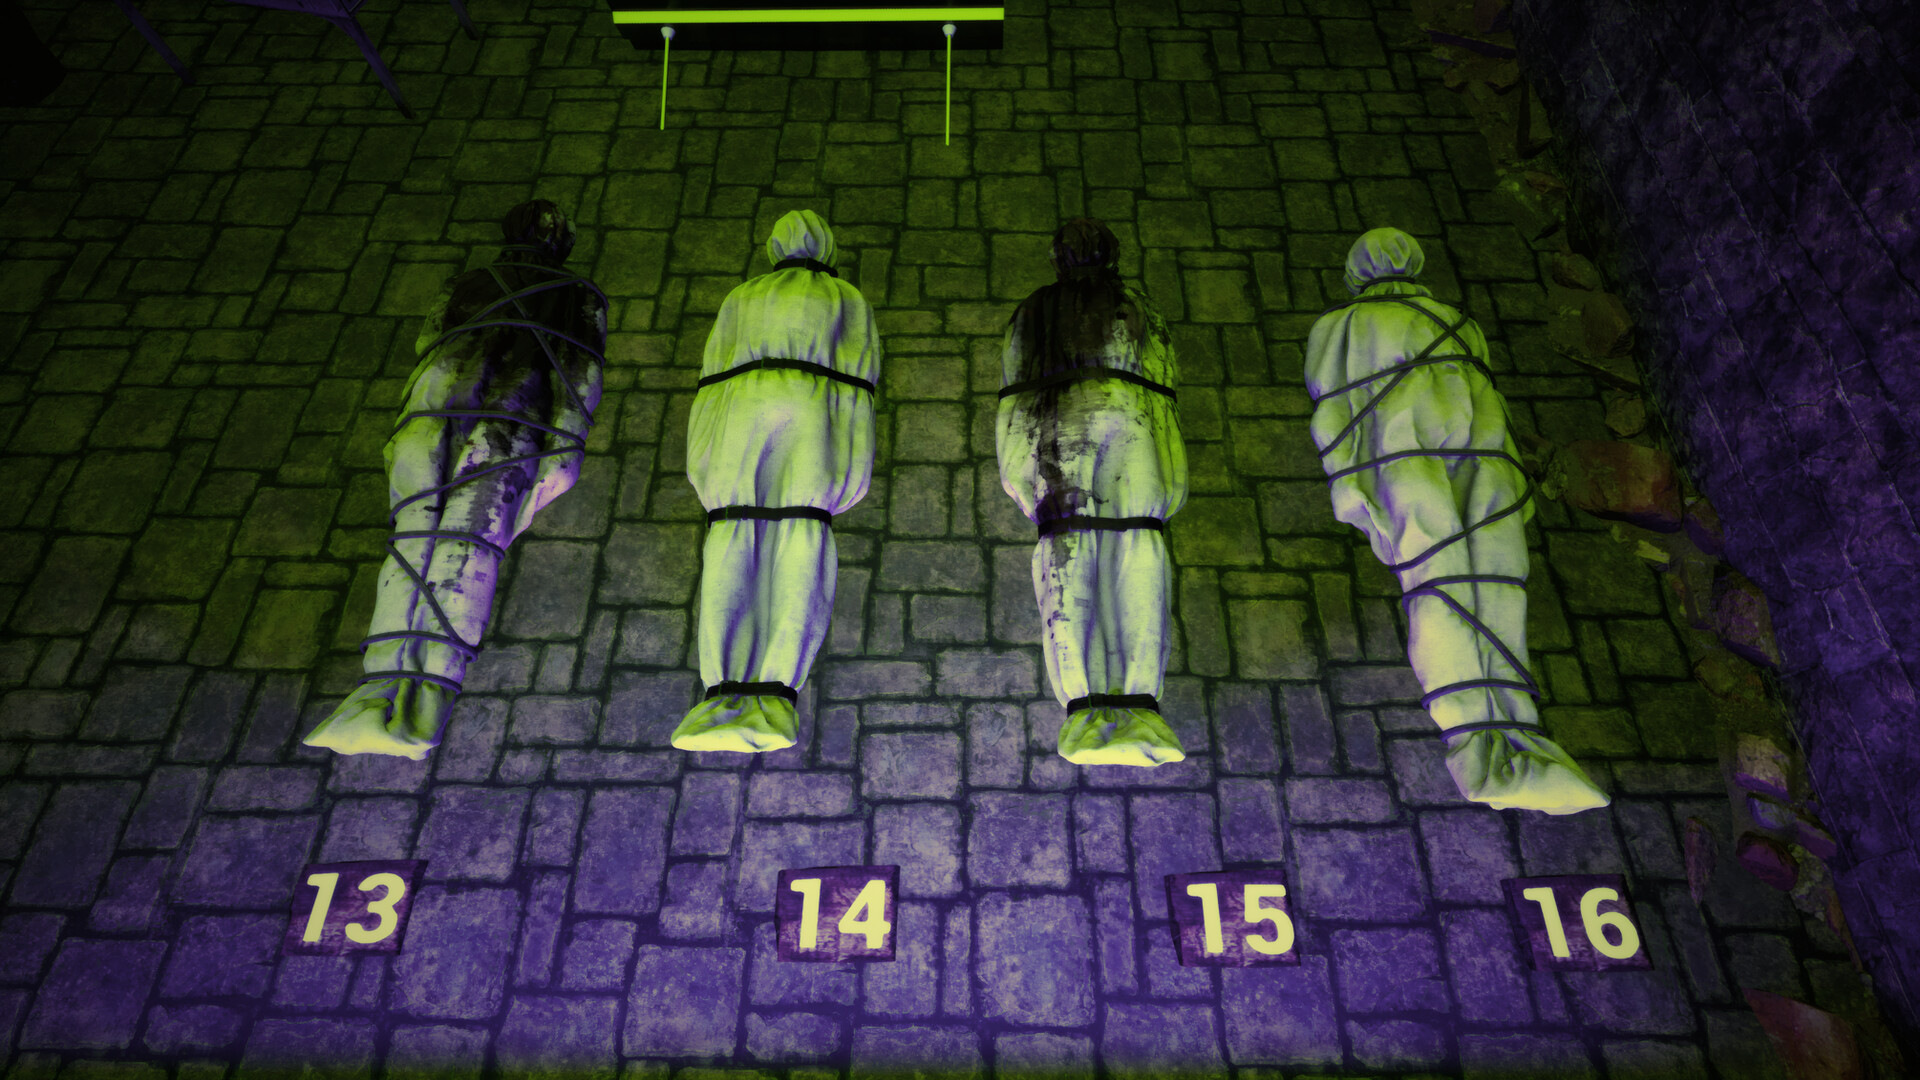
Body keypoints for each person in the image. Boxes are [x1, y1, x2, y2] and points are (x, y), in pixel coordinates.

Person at [1304, 227, 1608, 814]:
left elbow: (1331, 407)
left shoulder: (1338, 327)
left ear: (1356, 271)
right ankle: (1516, 735)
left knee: (1438, 590)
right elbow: (1485, 393)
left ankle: (1477, 743)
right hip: (1484, 465)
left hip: (1404, 464)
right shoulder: (1459, 321)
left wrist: (1351, 483)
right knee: (1497, 590)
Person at [304, 200, 606, 759]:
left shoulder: (466, 282)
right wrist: (566, 443)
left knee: (411, 541)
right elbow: (578, 370)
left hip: (430, 415)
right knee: (468, 552)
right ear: (560, 239)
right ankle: (420, 709)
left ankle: (377, 692)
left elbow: (428, 346)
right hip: (505, 425)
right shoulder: (578, 295)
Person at [670, 209, 881, 752]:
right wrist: (850, 464)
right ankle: (773, 695)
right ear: (827, 247)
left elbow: (713, 371)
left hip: (741, 408)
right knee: (801, 530)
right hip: (811, 407)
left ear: (774, 246)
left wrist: (704, 457)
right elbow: (860, 374)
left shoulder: (742, 295)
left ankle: (721, 691)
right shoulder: (847, 297)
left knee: (732, 530)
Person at [997, 218, 1188, 767]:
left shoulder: (1033, 308)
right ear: (1112, 254)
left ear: (1058, 257)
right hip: (1134, 426)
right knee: (1138, 545)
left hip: (1060, 429)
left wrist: (1016, 466)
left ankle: (1085, 709)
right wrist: (1171, 465)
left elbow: (1014, 385)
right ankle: (1139, 706)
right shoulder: (1140, 305)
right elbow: (1164, 382)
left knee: (1068, 556)